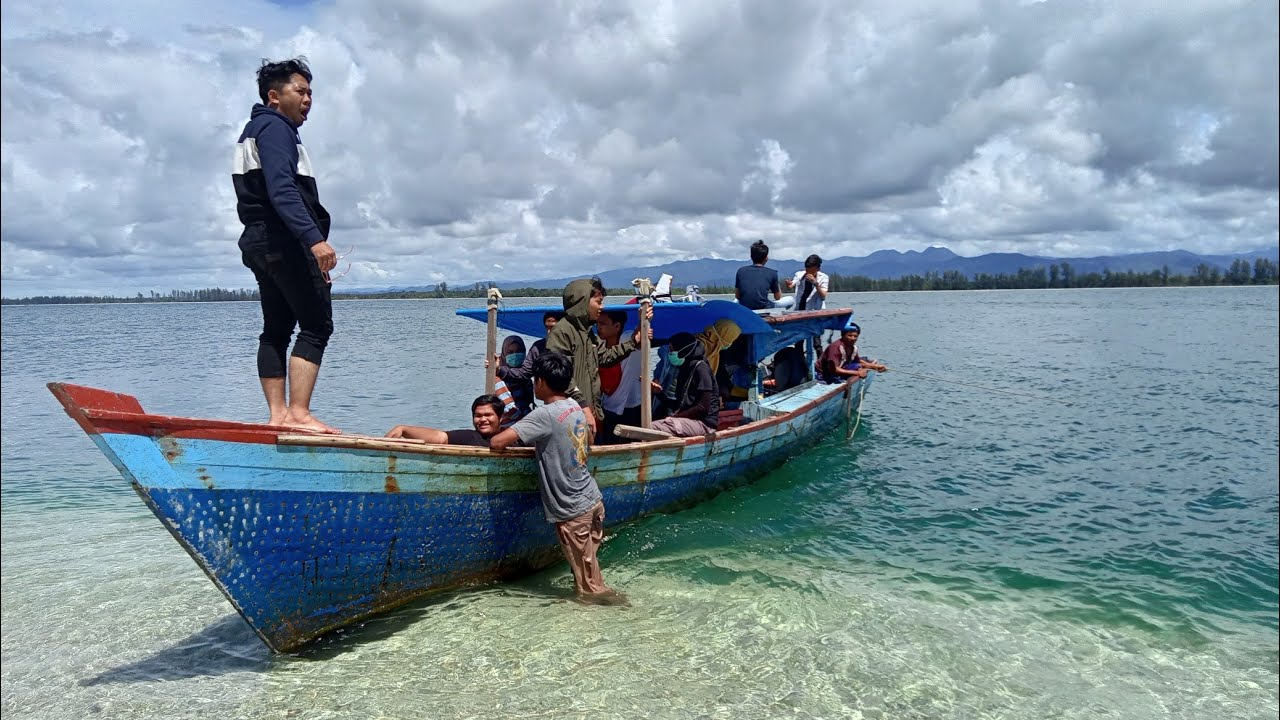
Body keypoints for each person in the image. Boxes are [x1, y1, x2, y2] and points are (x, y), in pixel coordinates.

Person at [233, 57, 339, 433]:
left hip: (259, 241)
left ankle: (277, 416)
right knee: (316, 326)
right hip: (285, 240)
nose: (309, 99)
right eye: (301, 90)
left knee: (276, 329)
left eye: (311, 92)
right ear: (274, 96)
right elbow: (282, 189)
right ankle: (298, 414)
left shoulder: (252, 130)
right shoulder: (276, 129)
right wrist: (315, 240)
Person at [490, 352, 622, 602]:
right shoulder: (575, 406)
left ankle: (614, 617)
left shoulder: (544, 415)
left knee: (588, 586)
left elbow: (498, 442)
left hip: (573, 509)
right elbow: (589, 440)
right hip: (592, 499)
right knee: (590, 572)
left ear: (540, 382)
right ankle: (611, 611)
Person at [546, 278, 650, 441]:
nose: (601, 308)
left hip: (588, 411)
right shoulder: (563, 332)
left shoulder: (587, 333)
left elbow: (604, 357)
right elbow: (561, 376)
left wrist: (633, 341)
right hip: (572, 414)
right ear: (584, 301)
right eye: (599, 302)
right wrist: (584, 406)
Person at [651, 332, 721, 437]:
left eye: (672, 349)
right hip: (687, 421)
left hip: (703, 424)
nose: (670, 353)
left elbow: (702, 407)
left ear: (682, 350)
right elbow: (680, 404)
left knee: (652, 428)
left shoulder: (701, 369)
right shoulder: (684, 369)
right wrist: (659, 393)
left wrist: (675, 417)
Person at [384, 395, 505, 446]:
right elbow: (440, 437)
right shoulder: (470, 437)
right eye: (478, 416)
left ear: (500, 417)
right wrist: (403, 429)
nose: (483, 419)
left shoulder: (512, 438)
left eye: (488, 415)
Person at [596, 311, 643, 443]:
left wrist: (642, 319)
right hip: (607, 407)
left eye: (603, 324)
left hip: (632, 406)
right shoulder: (598, 346)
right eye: (597, 323)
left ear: (617, 326)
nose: (598, 327)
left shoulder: (627, 338)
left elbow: (640, 338)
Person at [495, 312, 561, 404]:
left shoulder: (576, 346)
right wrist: (499, 369)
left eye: (553, 328)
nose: (549, 332)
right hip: (549, 400)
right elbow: (524, 373)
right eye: (547, 328)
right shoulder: (539, 347)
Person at [816, 322, 888, 384]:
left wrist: (875, 367)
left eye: (855, 336)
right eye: (850, 335)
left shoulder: (853, 347)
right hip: (824, 374)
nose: (852, 338)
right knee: (857, 367)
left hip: (840, 368)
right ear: (843, 335)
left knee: (858, 365)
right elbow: (834, 369)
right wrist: (857, 373)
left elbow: (857, 361)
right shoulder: (836, 347)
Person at [734, 240, 786, 310]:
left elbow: (737, 296)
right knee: (790, 300)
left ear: (751, 256)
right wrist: (776, 281)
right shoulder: (772, 273)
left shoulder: (741, 271)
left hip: (745, 308)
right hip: (764, 308)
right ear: (766, 258)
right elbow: (777, 297)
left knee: (736, 301)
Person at [494, 335, 533, 423]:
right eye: (510, 352)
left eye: (519, 351)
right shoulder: (498, 378)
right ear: (504, 354)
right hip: (509, 424)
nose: (515, 355)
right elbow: (510, 409)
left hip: (526, 420)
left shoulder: (525, 375)